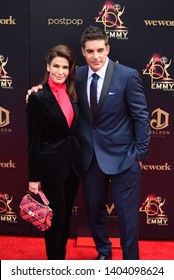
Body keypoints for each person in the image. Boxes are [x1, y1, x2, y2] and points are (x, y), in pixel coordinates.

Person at [27, 26, 151, 260]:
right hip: (90, 158)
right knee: (94, 211)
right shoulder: (78, 75)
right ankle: (103, 252)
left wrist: (139, 155)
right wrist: (37, 89)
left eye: (100, 50)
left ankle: (131, 263)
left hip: (125, 157)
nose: (96, 56)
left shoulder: (128, 75)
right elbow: (55, 91)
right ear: (83, 52)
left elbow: (141, 117)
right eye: (90, 51)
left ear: (108, 49)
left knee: (127, 217)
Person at [26, 44, 82, 260]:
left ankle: (62, 260)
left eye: (65, 67)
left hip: (72, 166)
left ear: (70, 70)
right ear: (48, 66)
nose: (60, 71)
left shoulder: (72, 93)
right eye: (56, 66)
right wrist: (34, 177)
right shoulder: (38, 97)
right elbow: (32, 141)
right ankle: (54, 265)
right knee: (54, 220)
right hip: (50, 168)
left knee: (66, 216)